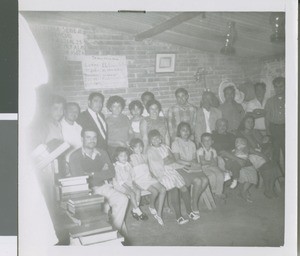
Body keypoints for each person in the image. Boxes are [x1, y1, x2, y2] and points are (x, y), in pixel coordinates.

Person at [68, 128, 128, 235]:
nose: (92, 140)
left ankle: (115, 231)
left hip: (103, 187)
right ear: (82, 139)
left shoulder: (102, 153)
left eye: (94, 137)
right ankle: (113, 232)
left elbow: (111, 172)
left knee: (123, 199)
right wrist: (101, 172)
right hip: (87, 191)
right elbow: (80, 177)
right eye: (88, 137)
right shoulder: (75, 156)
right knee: (102, 209)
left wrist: (91, 174)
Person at [147, 129, 200, 224]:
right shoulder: (150, 151)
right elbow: (156, 165)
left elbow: (173, 159)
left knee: (184, 188)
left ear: (160, 138)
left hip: (172, 170)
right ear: (150, 141)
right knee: (174, 189)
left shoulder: (165, 147)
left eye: (157, 138)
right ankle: (178, 216)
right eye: (153, 139)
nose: (155, 140)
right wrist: (166, 160)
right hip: (161, 174)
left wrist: (166, 160)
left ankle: (189, 211)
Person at [212, 118, 258, 202]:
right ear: (216, 126)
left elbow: (240, 145)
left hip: (235, 155)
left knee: (250, 167)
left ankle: (243, 191)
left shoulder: (231, 135)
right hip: (223, 158)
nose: (223, 127)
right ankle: (239, 186)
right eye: (220, 125)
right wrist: (237, 159)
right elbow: (221, 152)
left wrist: (244, 151)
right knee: (238, 163)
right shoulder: (213, 136)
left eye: (225, 125)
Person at [237, 115, 280, 198]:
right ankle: (268, 190)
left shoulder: (255, 131)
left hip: (260, 153)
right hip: (249, 155)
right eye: (248, 122)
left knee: (273, 165)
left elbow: (263, 142)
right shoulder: (240, 134)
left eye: (252, 122)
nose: (251, 124)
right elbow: (247, 149)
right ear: (243, 123)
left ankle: (269, 189)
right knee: (267, 165)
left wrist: (268, 147)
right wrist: (263, 155)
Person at [171, 122, 209, 211]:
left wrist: (193, 164)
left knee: (205, 180)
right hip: (180, 167)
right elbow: (177, 159)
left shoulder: (192, 143)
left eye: (187, 130)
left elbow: (194, 158)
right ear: (179, 132)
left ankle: (193, 200)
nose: (186, 132)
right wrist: (189, 163)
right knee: (198, 180)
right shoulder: (175, 143)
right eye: (183, 130)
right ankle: (194, 205)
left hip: (191, 167)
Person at [129, 138, 166, 225]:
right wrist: (133, 184)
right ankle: (151, 206)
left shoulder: (144, 156)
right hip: (139, 180)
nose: (139, 149)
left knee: (163, 189)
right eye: (136, 147)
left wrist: (154, 176)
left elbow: (148, 169)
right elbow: (129, 173)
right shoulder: (130, 158)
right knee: (154, 192)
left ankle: (159, 214)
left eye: (140, 147)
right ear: (132, 148)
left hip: (148, 178)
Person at [112, 147, 148, 221]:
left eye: (125, 155)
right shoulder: (116, 167)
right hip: (120, 185)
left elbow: (132, 175)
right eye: (121, 156)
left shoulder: (128, 164)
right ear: (116, 158)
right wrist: (129, 188)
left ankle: (135, 209)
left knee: (138, 191)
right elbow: (120, 181)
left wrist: (134, 183)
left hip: (129, 183)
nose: (124, 157)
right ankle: (138, 211)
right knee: (132, 193)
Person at [265, 77, 285, 173]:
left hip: (287, 129)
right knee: (275, 153)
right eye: (276, 87)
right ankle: (277, 175)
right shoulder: (270, 101)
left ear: (285, 86)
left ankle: (290, 176)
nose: (279, 89)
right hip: (274, 129)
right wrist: (268, 131)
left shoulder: (291, 98)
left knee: (288, 152)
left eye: (281, 87)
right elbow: (267, 117)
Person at [196, 133, 225, 199]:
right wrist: (211, 162)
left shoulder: (213, 151)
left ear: (212, 141)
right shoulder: (200, 150)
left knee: (220, 174)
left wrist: (209, 162)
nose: (207, 142)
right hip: (202, 167)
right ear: (201, 142)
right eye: (205, 140)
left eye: (209, 140)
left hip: (212, 166)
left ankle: (219, 193)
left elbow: (215, 163)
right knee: (212, 176)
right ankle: (213, 192)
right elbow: (202, 162)